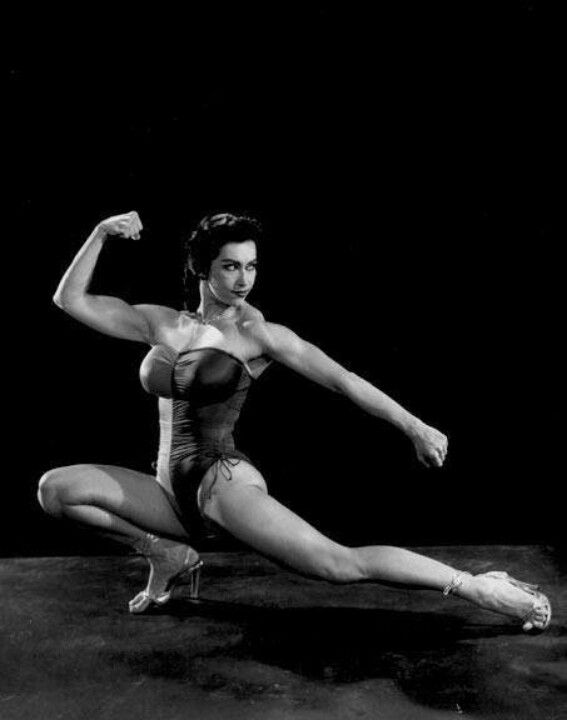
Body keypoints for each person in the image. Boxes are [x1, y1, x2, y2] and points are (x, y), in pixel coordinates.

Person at [38, 210, 551, 632]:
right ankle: (166, 553)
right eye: (230, 267)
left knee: (337, 564)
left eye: (252, 267)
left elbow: (343, 379)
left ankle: (480, 587)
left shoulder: (259, 334)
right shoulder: (161, 323)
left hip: (222, 484)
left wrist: (414, 426)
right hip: (170, 489)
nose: (244, 280)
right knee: (56, 491)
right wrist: (101, 232)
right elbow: (70, 300)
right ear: (202, 269)